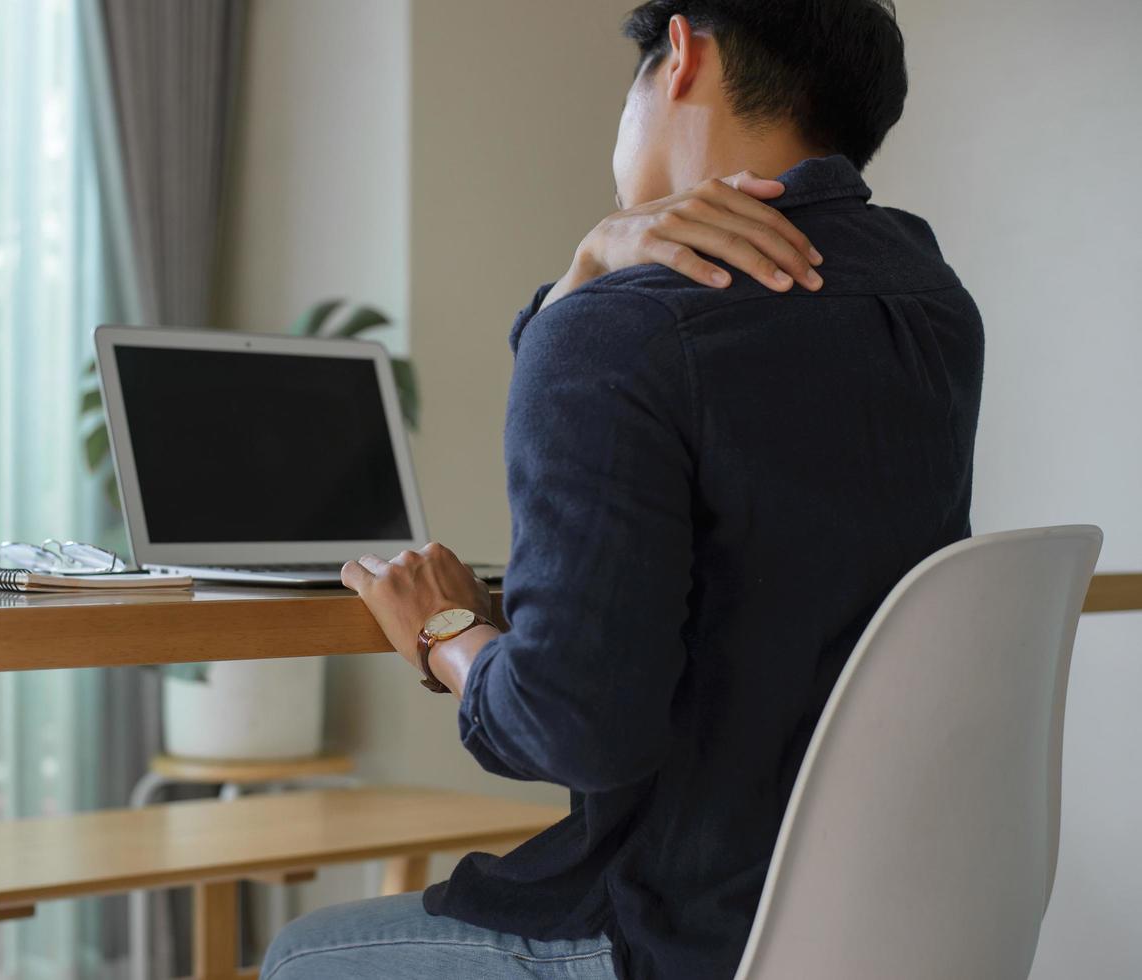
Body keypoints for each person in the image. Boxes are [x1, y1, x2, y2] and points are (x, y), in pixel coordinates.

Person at [263, 1, 982, 977]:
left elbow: (566, 727)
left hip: (676, 932)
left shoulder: (619, 332)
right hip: (889, 915)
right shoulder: (929, 299)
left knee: (301, 953)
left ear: (678, 53)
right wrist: (581, 279)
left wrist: (445, 636)